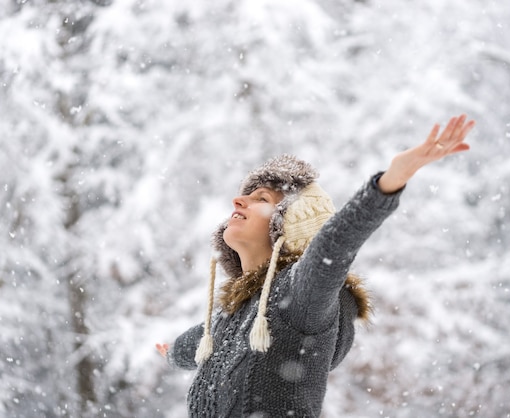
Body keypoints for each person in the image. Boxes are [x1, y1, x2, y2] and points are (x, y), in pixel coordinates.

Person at [156, 114, 476, 417]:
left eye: (262, 199)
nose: (238, 201)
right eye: (245, 196)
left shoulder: (299, 297)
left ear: (289, 224)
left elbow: (335, 243)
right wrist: (171, 351)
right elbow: (197, 342)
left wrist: (390, 181)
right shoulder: (234, 316)